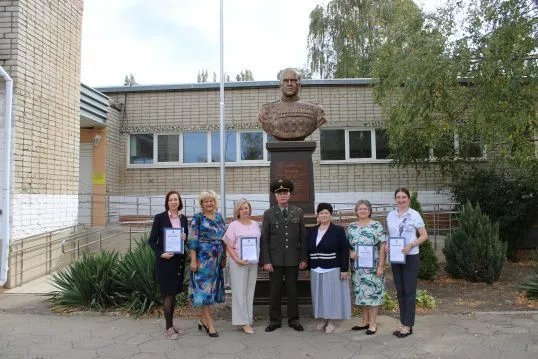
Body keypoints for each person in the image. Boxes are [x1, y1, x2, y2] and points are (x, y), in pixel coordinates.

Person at [260, 178, 308, 332]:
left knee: (293, 291)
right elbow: (265, 239)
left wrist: (303, 258)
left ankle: (294, 320)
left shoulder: (298, 212)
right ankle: (275, 321)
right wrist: (266, 261)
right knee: (274, 291)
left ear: (289, 195)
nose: (282, 196)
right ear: (275, 196)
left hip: (293, 259)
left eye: (285, 193)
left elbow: (303, 237)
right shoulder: (268, 214)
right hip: (275, 260)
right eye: (279, 193)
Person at [386, 187, 428, 338]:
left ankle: (408, 326)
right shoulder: (390, 215)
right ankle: (403, 322)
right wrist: (388, 246)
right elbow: (390, 235)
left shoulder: (414, 215)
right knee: (400, 290)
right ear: (395, 199)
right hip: (396, 257)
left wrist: (411, 244)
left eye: (404, 197)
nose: (401, 200)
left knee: (409, 291)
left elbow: (424, 235)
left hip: (410, 256)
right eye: (398, 197)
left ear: (408, 199)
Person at [148, 190, 188, 340]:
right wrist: (161, 253)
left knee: (174, 294)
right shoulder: (160, 218)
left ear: (179, 202)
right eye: (171, 200)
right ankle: (168, 328)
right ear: (167, 202)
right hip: (165, 261)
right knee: (167, 294)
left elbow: (185, 240)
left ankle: (171, 324)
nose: (173, 202)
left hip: (178, 261)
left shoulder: (183, 219)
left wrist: (184, 238)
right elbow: (152, 241)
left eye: (176, 199)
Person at [307, 202, 351, 334]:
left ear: (331, 215)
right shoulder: (313, 230)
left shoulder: (338, 230)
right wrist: (308, 266)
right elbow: (308, 249)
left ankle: (331, 321)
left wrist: (344, 269)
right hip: (316, 268)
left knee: (331, 296)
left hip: (332, 268)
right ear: (318, 215)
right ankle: (323, 319)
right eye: (321, 213)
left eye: (326, 213)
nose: (324, 215)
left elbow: (344, 250)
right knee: (319, 295)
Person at [189, 190, 226, 338]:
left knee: (210, 291)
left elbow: (224, 238)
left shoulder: (218, 217)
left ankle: (202, 319)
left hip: (217, 260)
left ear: (215, 202)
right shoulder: (198, 218)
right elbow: (192, 240)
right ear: (202, 204)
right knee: (204, 291)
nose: (209, 203)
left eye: (211, 200)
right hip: (202, 260)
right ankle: (209, 323)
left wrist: (225, 257)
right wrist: (192, 260)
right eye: (206, 201)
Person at [347, 200, 387, 335]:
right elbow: (346, 246)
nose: (362, 211)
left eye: (365, 209)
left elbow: (382, 246)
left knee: (373, 295)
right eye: (360, 209)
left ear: (370, 211)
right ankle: (364, 321)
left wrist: (381, 265)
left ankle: (373, 323)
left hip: (373, 267)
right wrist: (350, 253)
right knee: (361, 294)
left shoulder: (376, 225)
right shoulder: (351, 227)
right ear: (356, 211)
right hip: (357, 268)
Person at [222, 199, 261, 334]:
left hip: (252, 263)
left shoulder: (256, 224)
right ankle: (243, 322)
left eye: (247, 208)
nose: (245, 211)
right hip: (238, 263)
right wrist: (237, 259)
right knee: (239, 292)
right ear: (237, 211)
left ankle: (247, 319)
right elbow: (228, 244)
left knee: (250, 291)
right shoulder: (234, 225)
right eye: (242, 208)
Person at [258, 68, 327, 141]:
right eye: (286, 81)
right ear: (280, 85)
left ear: (299, 85)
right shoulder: (265, 111)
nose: (289, 84)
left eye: (293, 80)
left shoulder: (316, 110)